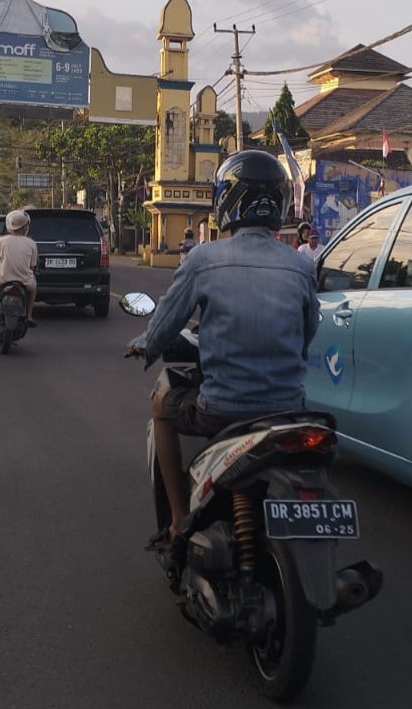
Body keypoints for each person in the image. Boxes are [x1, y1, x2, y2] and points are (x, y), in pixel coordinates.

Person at [129, 150, 318, 546]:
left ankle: (179, 520)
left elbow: (166, 322)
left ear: (226, 201)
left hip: (222, 408)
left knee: (160, 407)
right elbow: (308, 332)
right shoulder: (300, 265)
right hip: (290, 409)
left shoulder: (203, 258)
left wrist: (146, 345)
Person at [0, 209, 38, 326]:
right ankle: (29, 315)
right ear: (25, 227)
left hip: (3, 279)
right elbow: (32, 268)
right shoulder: (31, 243)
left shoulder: (0, 241)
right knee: (34, 288)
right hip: (25, 281)